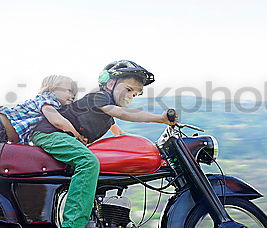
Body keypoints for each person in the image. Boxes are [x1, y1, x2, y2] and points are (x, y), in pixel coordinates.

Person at [31, 60, 178, 228]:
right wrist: (160, 119)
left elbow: (118, 133)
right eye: (129, 90)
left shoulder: (107, 114)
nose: (131, 96)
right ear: (110, 83)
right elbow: (123, 113)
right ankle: (73, 224)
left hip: (62, 138)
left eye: (135, 94)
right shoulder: (99, 97)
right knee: (88, 163)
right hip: (50, 133)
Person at [0, 75, 87, 145]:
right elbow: (57, 121)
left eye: (74, 94)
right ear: (52, 89)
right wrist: (77, 135)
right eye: (69, 91)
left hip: (5, 134)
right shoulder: (47, 99)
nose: (72, 96)